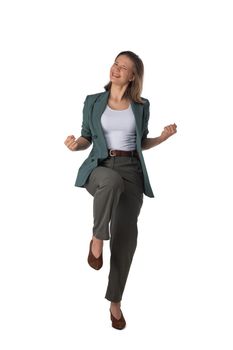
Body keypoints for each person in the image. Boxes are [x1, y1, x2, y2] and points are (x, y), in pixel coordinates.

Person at [64, 51, 177, 330]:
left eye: (123, 67)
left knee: (126, 240)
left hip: (131, 170)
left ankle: (115, 301)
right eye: (116, 63)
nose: (116, 69)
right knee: (110, 182)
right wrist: (73, 144)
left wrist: (162, 138)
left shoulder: (141, 105)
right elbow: (86, 138)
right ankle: (98, 238)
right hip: (100, 167)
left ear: (132, 76)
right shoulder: (93, 101)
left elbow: (140, 142)